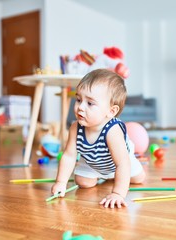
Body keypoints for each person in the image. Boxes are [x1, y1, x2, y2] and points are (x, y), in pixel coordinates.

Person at [51, 69, 146, 208]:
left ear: (111, 111)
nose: (80, 107)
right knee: (82, 182)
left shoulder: (112, 131)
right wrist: (61, 182)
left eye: (90, 103)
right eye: (78, 100)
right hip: (93, 161)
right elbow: (69, 156)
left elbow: (122, 164)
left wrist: (118, 193)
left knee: (138, 179)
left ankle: (114, 177)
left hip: (120, 162)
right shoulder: (75, 128)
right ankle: (105, 176)